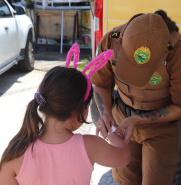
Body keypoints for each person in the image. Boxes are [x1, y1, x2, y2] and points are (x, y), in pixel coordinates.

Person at [90, 10, 181, 185]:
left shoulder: (177, 53)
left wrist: (139, 119)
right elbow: (101, 84)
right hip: (121, 120)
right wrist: (105, 114)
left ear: (164, 50)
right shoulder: (111, 41)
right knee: (125, 180)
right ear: (123, 36)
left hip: (160, 129)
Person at [0, 44, 131, 185]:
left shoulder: (16, 151)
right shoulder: (90, 146)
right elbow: (124, 156)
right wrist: (110, 129)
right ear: (79, 110)